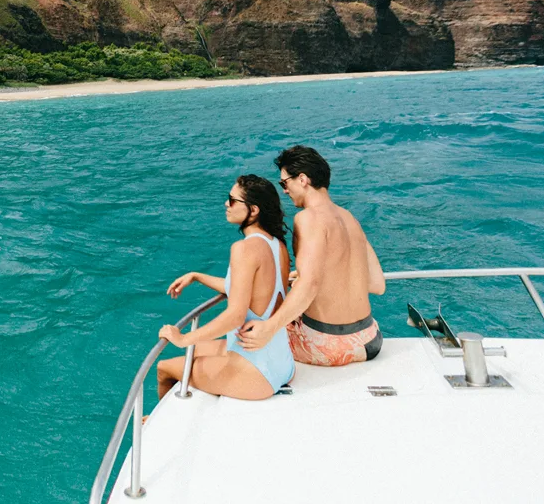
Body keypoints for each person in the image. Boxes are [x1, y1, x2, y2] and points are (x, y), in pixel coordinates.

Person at [237, 146, 385, 365]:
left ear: (303, 179)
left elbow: (309, 284)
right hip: (370, 338)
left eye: (284, 183)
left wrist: (268, 329)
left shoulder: (307, 218)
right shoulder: (349, 218)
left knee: (247, 334)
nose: (285, 191)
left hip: (329, 346)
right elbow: (377, 284)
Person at [155, 175, 295, 400]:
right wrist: (198, 276)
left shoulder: (243, 248)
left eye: (232, 200)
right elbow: (251, 290)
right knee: (197, 351)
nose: (226, 204)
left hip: (257, 373)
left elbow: (235, 316)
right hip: (282, 363)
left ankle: (156, 427)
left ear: (254, 210)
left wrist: (183, 339)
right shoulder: (277, 245)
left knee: (164, 368)